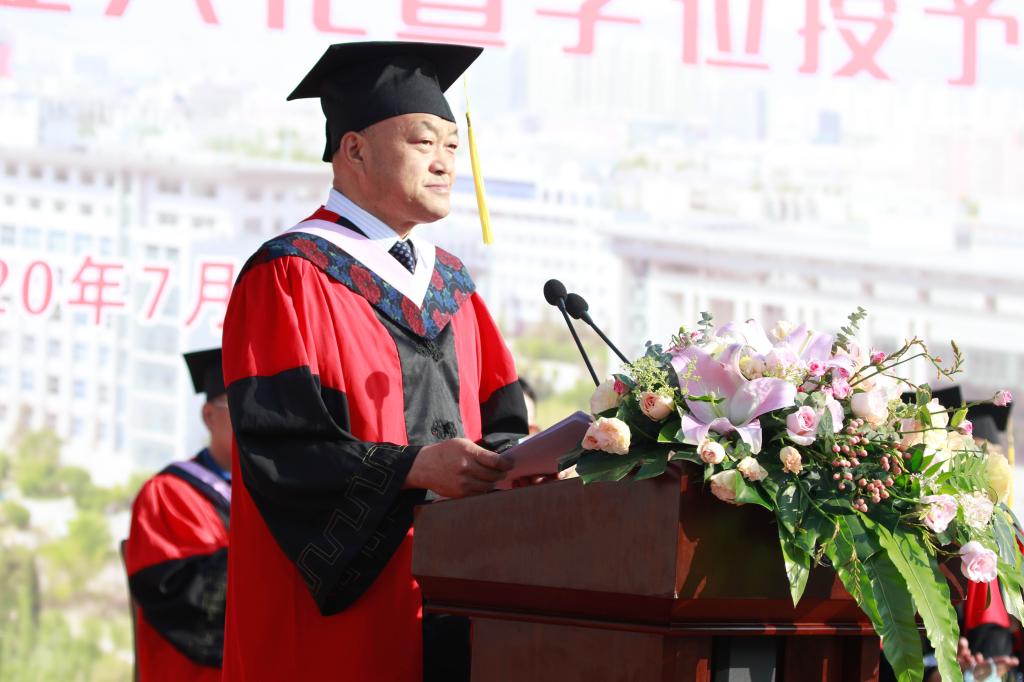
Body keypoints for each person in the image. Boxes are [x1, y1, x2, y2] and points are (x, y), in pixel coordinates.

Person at [220, 41, 529, 681]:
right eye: (424, 143)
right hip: (344, 619)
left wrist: (524, 463)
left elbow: (502, 419)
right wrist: (413, 468)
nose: (445, 163)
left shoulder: (452, 286)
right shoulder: (291, 275)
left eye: (452, 145)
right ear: (355, 149)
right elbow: (281, 449)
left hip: (454, 594)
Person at [123, 348, 233, 681]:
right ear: (209, 416)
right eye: (242, 407)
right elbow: (185, 600)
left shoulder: (283, 494)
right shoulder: (169, 495)